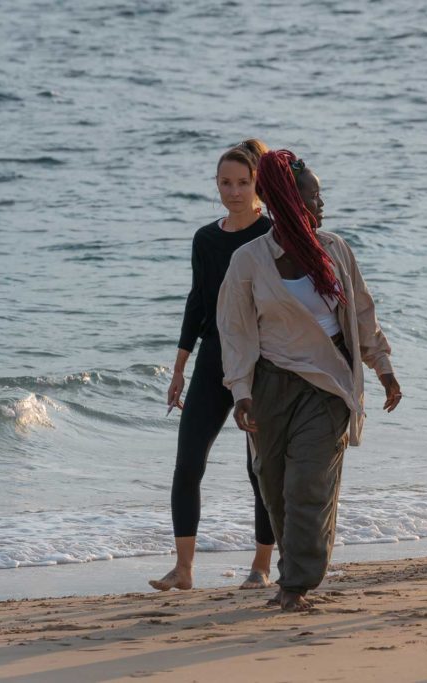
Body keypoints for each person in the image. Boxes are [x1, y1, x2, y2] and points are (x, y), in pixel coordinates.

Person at [217, 150, 402, 611]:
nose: (322, 206)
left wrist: (383, 368)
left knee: (309, 486)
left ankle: (295, 585)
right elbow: (235, 332)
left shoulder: (335, 249)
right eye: (314, 196)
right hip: (272, 385)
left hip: (329, 385)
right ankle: (290, 573)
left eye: (320, 196)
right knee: (274, 485)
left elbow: (361, 313)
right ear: (287, 200)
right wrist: (241, 393)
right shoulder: (249, 261)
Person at [149, 140, 277, 592]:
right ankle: (183, 569)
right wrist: (180, 366)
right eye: (226, 182)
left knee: (257, 467)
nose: (234, 191)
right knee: (187, 463)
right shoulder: (205, 238)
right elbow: (197, 303)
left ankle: (261, 566)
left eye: (243, 183)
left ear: (258, 184)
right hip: (212, 359)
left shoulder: (271, 235)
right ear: (216, 184)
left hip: (259, 363)